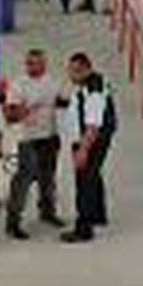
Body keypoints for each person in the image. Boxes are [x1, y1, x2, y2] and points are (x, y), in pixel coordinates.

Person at [4, 49, 66, 239]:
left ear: (44, 64)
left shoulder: (52, 83)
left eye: (38, 63)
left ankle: (47, 212)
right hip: (27, 139)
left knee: (48, 178)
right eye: (30, 63)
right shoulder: (18, 85)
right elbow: (10, 116)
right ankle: (13, 221)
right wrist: (27, 110)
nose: (33, 66)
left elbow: (62, 103)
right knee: (23, 181)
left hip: (50, 137)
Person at [59, 53, 117, 243]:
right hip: (95, 138)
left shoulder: (93, 91)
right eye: (70, 70)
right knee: (93, 175)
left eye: (75, 71)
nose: (71, 75)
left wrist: (83, 150)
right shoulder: (91, 84)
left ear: (87, 69)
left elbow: (93, 125)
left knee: (84, 181)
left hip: (90, 140)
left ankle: (83, 228)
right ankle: (98, 215)